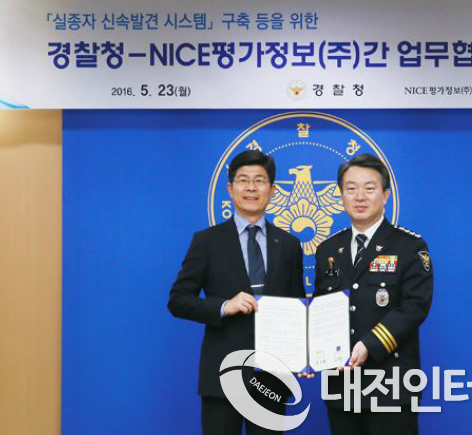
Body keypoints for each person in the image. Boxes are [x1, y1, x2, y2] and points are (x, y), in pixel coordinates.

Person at [168, 150, 305, 435]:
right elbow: (178, 300)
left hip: (271, 377)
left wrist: (304, 355)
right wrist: (222, 306)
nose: (251, 188)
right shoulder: (207, 241)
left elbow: (297, 307)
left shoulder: (289, 244)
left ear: (272, 190)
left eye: (260, 180)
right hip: (223, 374)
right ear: (230, 189)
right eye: (243, 180)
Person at [314, 153, 433, 435]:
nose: (359, 196)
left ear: (385, 195)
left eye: (369, 188)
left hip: (391, 385)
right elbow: (321, 309)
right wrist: (313, 354)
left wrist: (370, 344)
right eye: (351, 188)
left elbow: (415, 307)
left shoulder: (409, 246)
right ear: (341, 194)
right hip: (342, 385)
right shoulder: (328, 249)